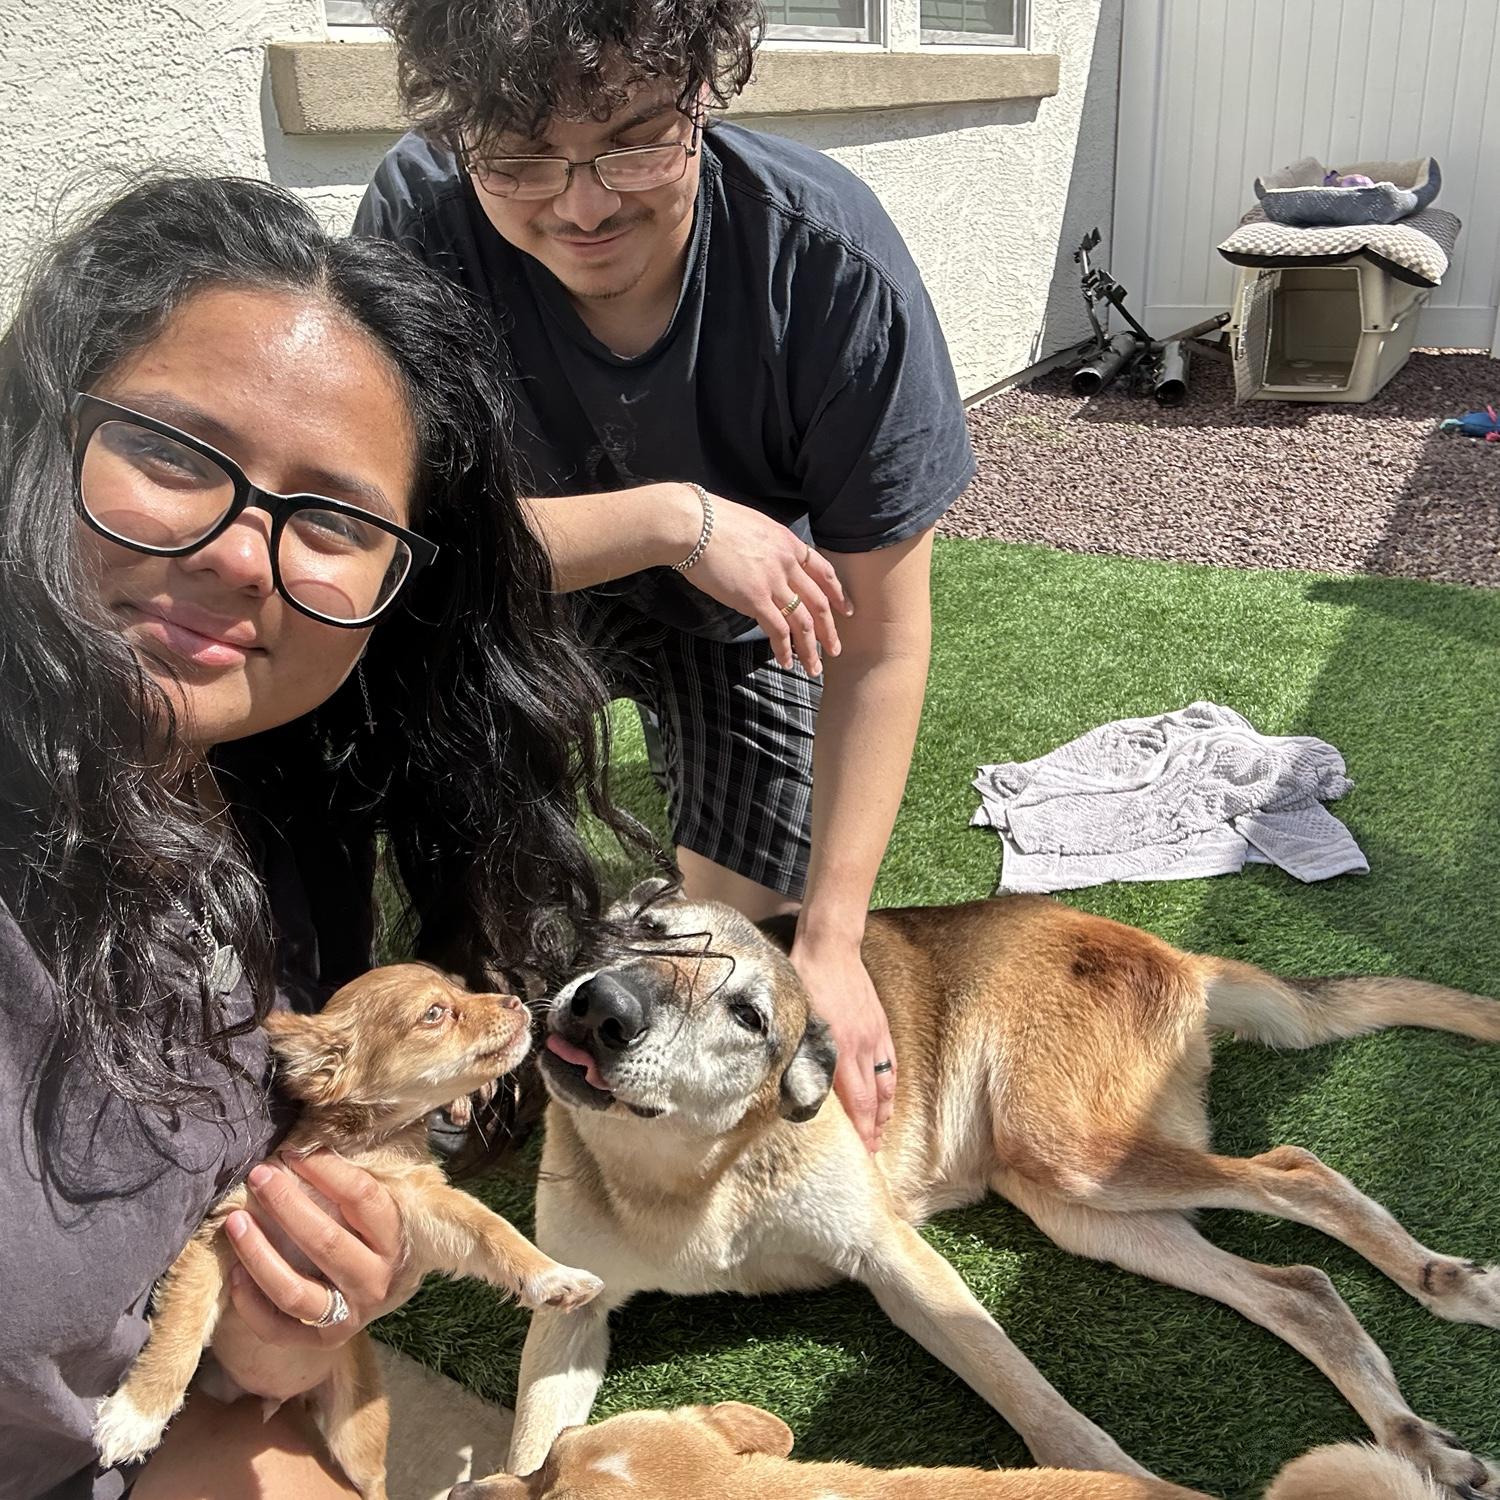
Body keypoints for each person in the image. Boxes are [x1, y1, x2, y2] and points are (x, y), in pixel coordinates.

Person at [0, 175, 641, 1499]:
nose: (245, 555)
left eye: (336, 519)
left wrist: (272, 1340)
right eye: (175, 451)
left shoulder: (282, 816)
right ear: (37, 432)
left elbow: (226, 1391)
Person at [357, 0, 977, 1151]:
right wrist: (672, 520)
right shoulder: (420, 218)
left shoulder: (829, 266)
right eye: (522, 159)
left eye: (637, 140)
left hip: (741, 620)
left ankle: (664, 916)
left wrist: (832, 941)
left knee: (716, 938)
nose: (584, 203)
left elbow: (882, 641)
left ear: (703, 95)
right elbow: (396, 536)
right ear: (461, 138)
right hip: (516, 597)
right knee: (471, 843)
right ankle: (474, 966)